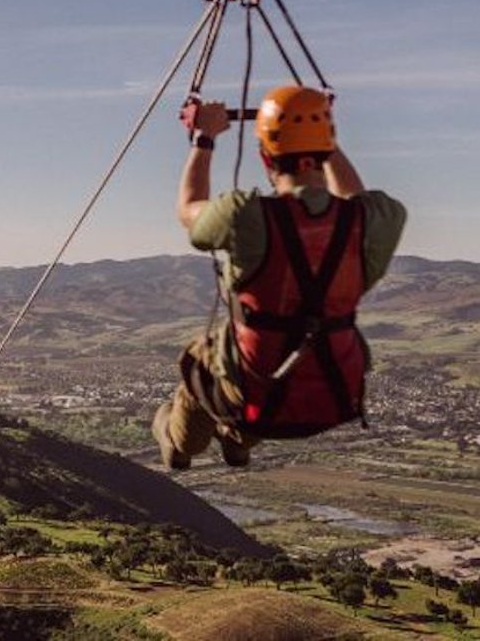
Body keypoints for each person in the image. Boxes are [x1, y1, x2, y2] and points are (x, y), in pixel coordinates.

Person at [152, 86, 406, 469]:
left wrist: (204, 138)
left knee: (198, 363)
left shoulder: (248, 217)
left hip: (251, 394)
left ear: (265, 156)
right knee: (262, 366)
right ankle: (237, 441)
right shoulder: (375, 221)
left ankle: (177, 443)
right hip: (332, 395)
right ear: (326, 150)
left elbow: (189, 211)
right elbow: (357, 198)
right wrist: (324, 137)